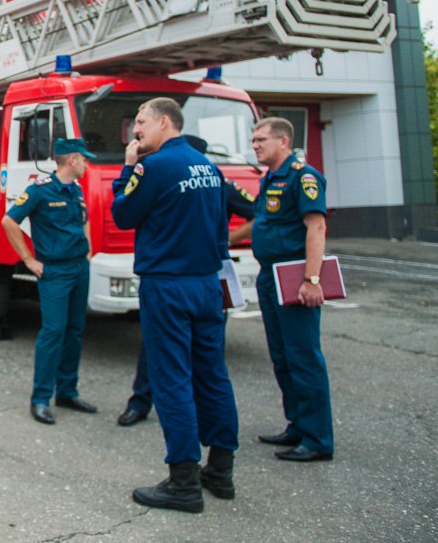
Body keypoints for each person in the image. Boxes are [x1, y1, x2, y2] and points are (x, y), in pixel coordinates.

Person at [111, 98, 238, 514]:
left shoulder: (155, 166)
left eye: (142, 122)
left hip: (168, 285)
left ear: (166, 122)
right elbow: (221, 224)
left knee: (171, 380)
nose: (136, 130)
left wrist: (129, 167)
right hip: (207, 284)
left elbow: (123, 215)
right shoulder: (209, 167)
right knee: (214, 375)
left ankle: (183, 482)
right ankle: (220, 471)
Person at [116, 134, 256, 428]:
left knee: (202, 358)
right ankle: (141, 401)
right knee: (157, 350)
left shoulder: (217, 181)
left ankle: (187, 437)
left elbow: (257, 212)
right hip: (185, 277)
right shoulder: (175, 174)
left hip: (203, 274)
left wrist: (229, 238)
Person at [231, 117, 333, 462]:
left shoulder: (302, 177)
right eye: (254, 140)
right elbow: (260, 222)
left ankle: (317, 439)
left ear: (283, 141)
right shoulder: (272, 177)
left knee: (303, 357)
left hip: (293, 273)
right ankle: (298, 425)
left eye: (261, 140)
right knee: (282, 357)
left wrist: (312, 279)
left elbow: (316, 227)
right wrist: (224, 240)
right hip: (267, 274)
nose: (255, 145)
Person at [1, 138, 98, 426]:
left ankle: (67, 392)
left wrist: (88, 250)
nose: (86, 163)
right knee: (53, 332)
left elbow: (84, 220)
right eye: (83, 159)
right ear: (71, 160)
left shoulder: (75, 190)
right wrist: (29, 261)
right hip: (54, 272)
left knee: (75, 330)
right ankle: (40, 398)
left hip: (79, 268)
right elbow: (10, 221)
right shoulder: (40, 191)